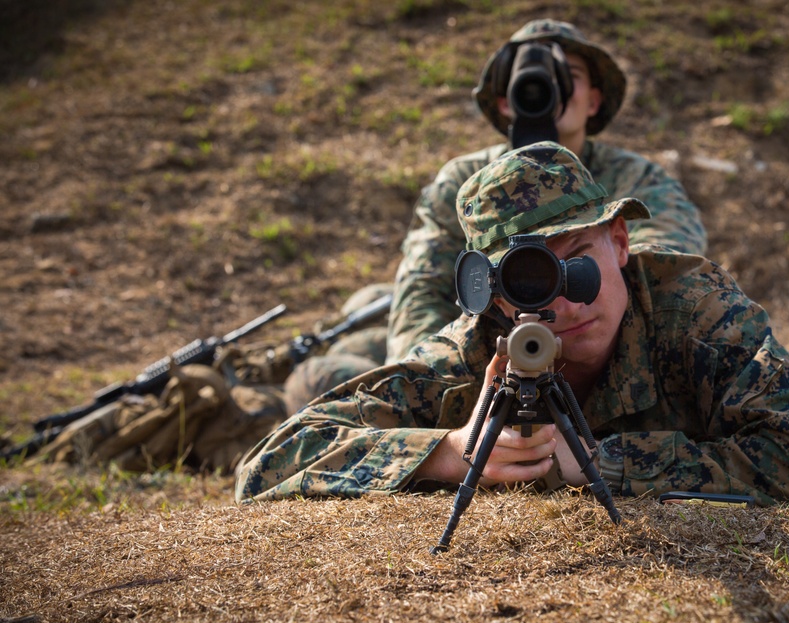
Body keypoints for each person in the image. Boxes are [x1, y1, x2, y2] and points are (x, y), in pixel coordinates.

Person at [234, 142, 789, 506]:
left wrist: (598, 462)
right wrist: (445, 450)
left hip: (743, 420)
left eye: (580, 262)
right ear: (496, 296)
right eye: (529, 280)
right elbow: (266, 463)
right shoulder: (467, 356)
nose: (563, 300)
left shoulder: (693, 308)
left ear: (622, 242)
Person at [282, 18, 706, 413]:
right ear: (506, 100)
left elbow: (663, 263)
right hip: (483, 345)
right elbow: (424, 287)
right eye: (534, 78)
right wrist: (440, 395)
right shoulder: (464, 181)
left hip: (595, 345)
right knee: (321, 375)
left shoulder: (637, 176)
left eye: (568, 77)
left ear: (594, 99)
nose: (550, 90)